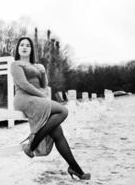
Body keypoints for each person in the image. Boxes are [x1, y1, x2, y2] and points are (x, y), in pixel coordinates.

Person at [10, 37, 91, 180]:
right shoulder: (15, 64)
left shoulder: (37, 66)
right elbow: (24, 84)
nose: (24, 47)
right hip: (23, 98)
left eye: (28, 45)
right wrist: (42, 96)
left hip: (37, 99)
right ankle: (32, 145)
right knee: (63, 111)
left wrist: (43, 71)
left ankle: (76, 169)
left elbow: (44, 84)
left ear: (31, 50)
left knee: (58, 132)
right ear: (18, 49)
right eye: (21, 45)